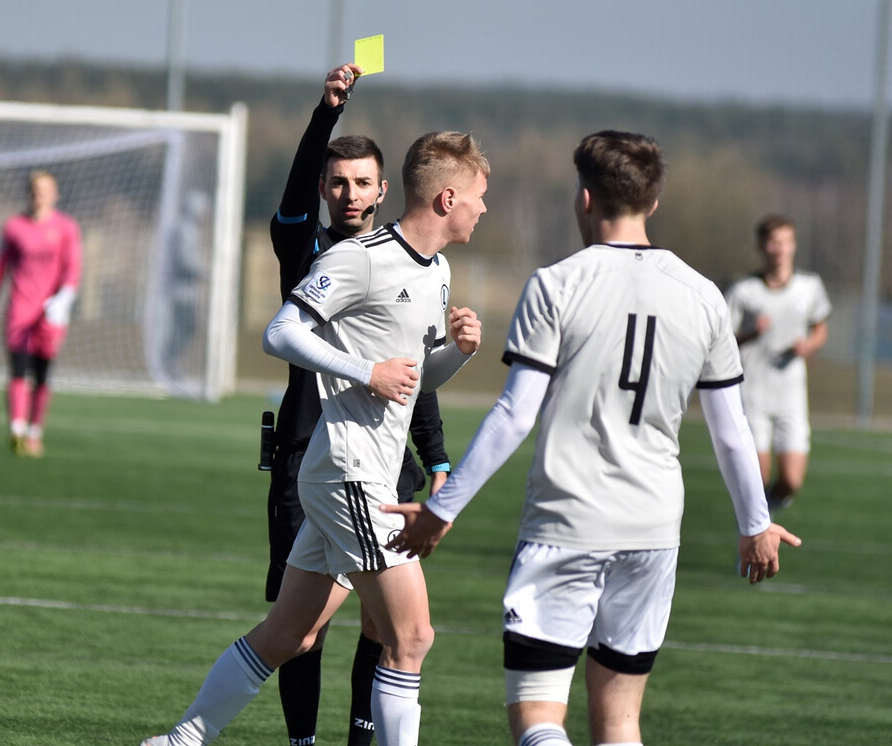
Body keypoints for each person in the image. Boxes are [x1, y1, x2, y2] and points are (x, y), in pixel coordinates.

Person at [383, 130, 802, 746]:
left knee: (537, 719)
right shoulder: (704, 297)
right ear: (652, 202)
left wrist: (442, 510)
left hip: (566, 524)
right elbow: (732, 430)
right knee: (620, 722)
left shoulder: (557, 285)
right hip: (653, 531)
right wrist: (754, 523)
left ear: (584, 198)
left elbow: (514, 414)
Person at [141, 130, 488, 746]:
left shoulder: (436, 268)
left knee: (288, 635)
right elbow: (281, 333)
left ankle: (176, 742)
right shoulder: (363, 257)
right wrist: (364, 371)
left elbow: (412, 380)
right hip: (351, 473)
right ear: (446, 199)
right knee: (411, 637)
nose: (483, 209)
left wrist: (456, 354)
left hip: (358, 471)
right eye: (478, 196)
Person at [265, 63, 453, 746]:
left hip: (386, 463)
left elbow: (413, 374)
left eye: (363, 183)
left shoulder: (405, 259)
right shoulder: (305, 247)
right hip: (306, 461)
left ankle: (359, 740)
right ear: (323, 187)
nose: (349, 193)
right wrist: (326, 115)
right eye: (337, 182)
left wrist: (436, 460)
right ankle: (300, 742)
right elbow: (292, 199)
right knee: (301, 630)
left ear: (382, 191)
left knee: (386, 625)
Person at [725, 215, 830, 513]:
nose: (780, 249)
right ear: (761, 247)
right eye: (773, 242)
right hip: (753, 395)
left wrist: (808, 345)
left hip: (791, 397)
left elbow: (820, 329)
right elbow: (722, 341)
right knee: (757, 478)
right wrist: (750, 333)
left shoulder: (809, 287)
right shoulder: (744, 291)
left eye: (786, 241)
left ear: (793, 245)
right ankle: (753, 533)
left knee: (791, 481)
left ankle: (762, 516)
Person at [0, 170, 82, 458]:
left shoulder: (66, 228)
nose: (38, 195)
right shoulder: (14, 227)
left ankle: (35, 433)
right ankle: (16, 429)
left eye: (44, 190)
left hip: (51, 312)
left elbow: (72, 267)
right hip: (20, 309)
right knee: (17, 369)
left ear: (55, 194)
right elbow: (1, 266)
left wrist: (64, 299)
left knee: (42, 373)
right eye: (34, 190)